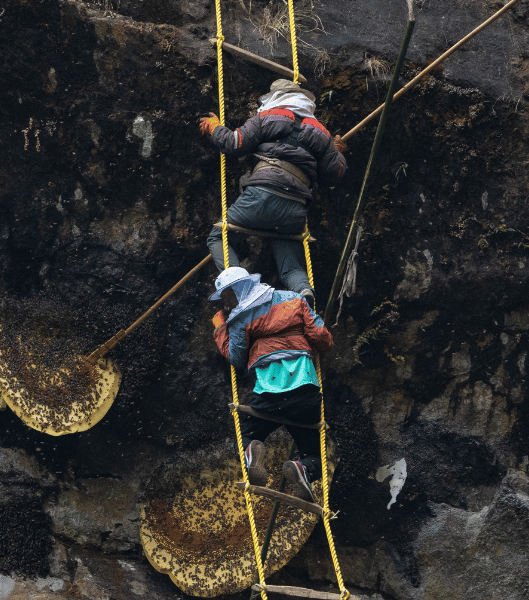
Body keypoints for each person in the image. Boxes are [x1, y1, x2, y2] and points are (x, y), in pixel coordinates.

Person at [199, 79, 347, 307]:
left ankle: (241, 291)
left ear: (276, 99)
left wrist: (214, 127)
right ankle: (304, 292)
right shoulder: (321, 133)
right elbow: (334, 174)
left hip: (261, 196)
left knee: (218, 236)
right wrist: (337, 154)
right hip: (294, 210)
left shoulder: (266, 117)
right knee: (291, 266)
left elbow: (233, 143)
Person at [210, 266, 333, 503]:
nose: (227, 303)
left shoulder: (239, 317)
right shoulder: (294, 300)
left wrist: (220, 327)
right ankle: (303, 468)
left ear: (239, 289)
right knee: (314, 453)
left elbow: (236, 358)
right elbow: (322, 337)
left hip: (270, 394)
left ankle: (251, 453)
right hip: (305, 392)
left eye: (228, 296)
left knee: (244, 435)